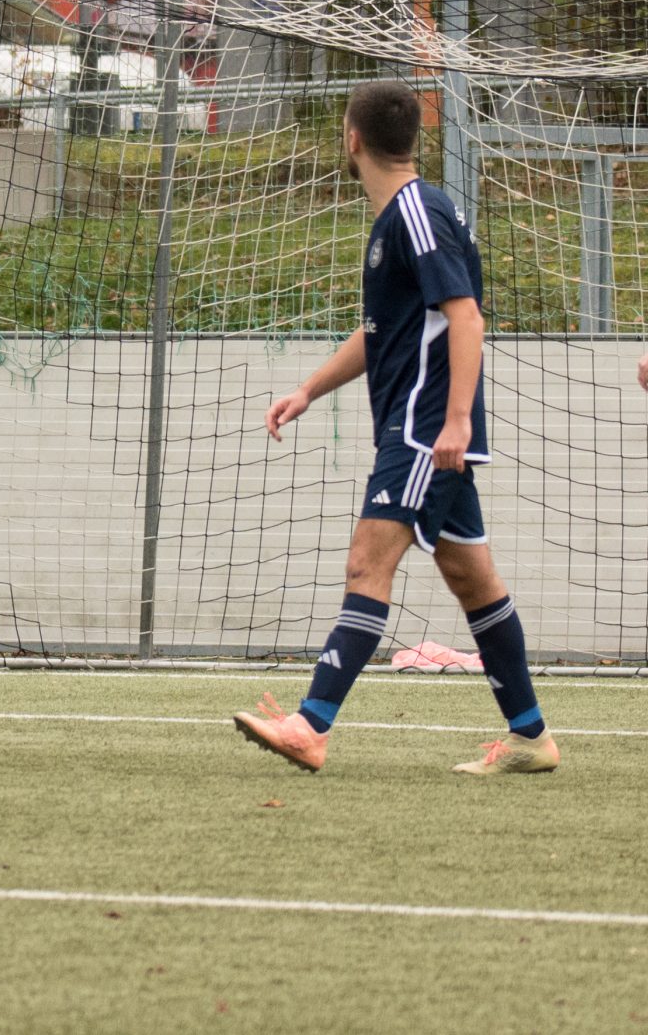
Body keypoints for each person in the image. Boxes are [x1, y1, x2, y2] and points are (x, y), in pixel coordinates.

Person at [236, 79, 557, 776]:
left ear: (352, 139)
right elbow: (384, 330)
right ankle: (532, 737)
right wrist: (308, 390)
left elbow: (466, 317)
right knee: (472, 578)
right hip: (429, 430)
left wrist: (455, 420)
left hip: (423, 430)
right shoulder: (405, 216)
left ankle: (309, 725)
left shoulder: (415, 213)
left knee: (366, 562)